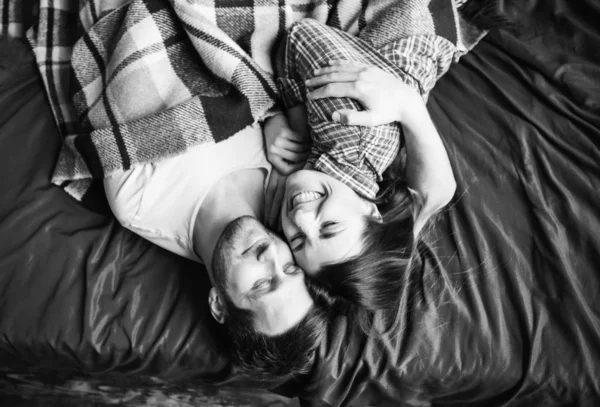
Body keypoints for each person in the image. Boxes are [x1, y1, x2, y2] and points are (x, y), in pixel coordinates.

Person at [263, 19, 457, 331]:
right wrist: (291, 115)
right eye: (329, 228)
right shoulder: (351, 132)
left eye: (298, 240)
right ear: (371, 211)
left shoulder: (340, 174)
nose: (299, 219)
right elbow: (300, 36)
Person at [103, 124, 328, 381]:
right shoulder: (293, 197)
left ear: (219, 304)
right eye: (290, 269)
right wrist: (278, 115)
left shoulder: (139, 197)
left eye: (263, 283)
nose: (272, 252)